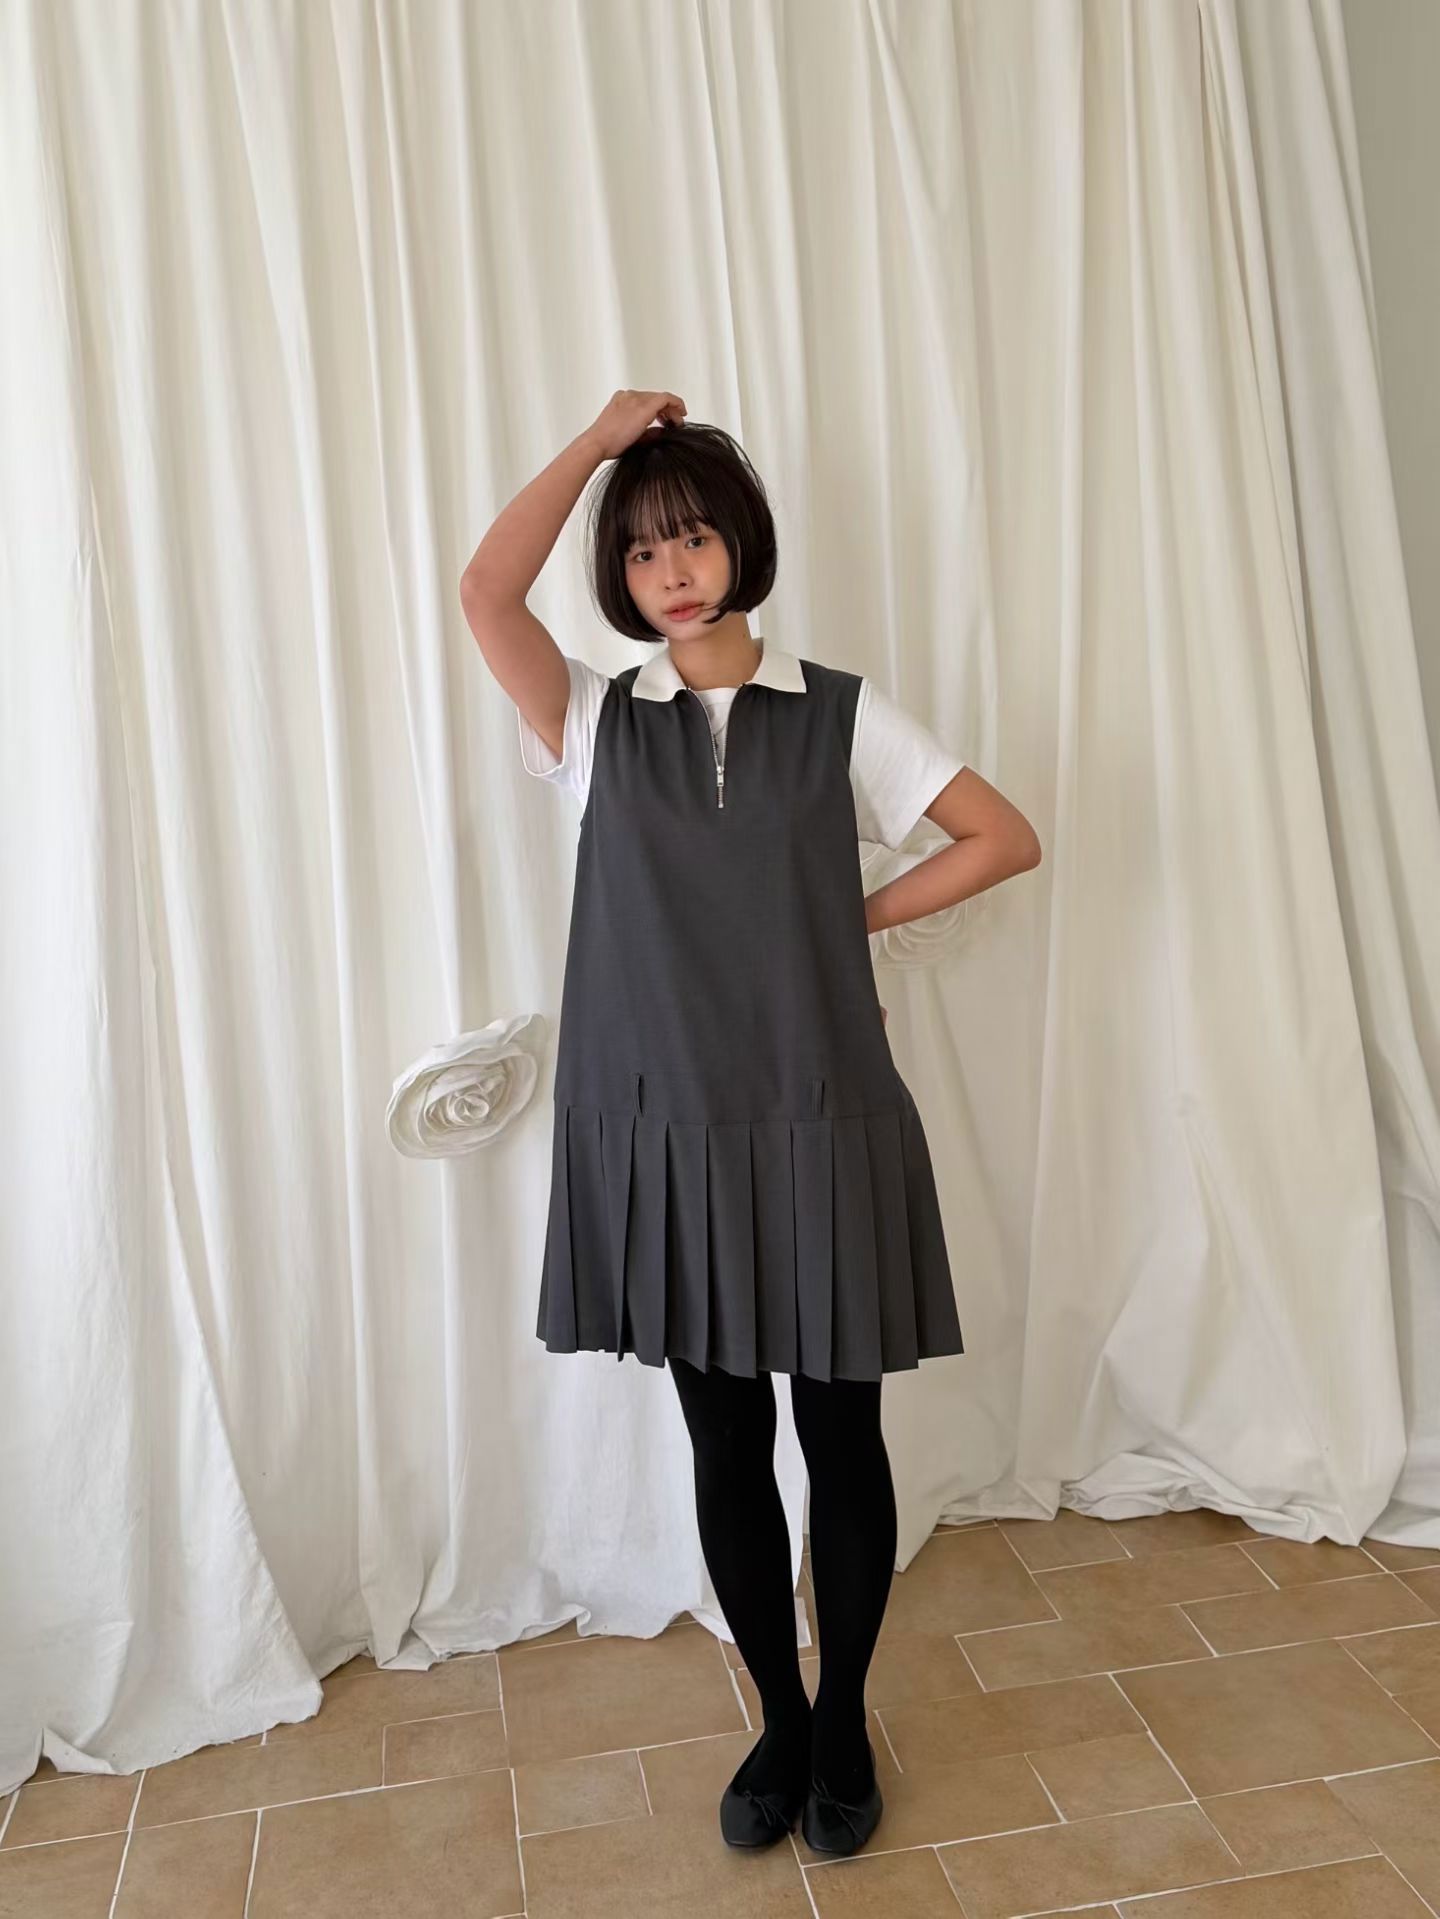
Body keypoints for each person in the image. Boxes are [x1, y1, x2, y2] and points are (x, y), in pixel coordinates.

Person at [460, 390, 1042, 1857]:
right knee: (725, 1445)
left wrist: (853, 917)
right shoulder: (595, 721)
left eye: (696, 537)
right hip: (664, 1135)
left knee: (841, 1438)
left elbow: (1001, 835)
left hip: (819, 1119)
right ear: (621, 575)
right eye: (643, 549)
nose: (673, 570)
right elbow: (483, 592)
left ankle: (843, 1721)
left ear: (742, 545)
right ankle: (777, 1720)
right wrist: (596, 446)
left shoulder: (838, 713)